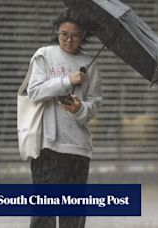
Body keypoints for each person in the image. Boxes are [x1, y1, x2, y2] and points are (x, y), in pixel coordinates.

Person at [26, 9, 102, 228]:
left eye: (75, 35)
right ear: (57, 32)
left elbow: (95, 104)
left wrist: (80, 108)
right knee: (44, 211)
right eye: (64, 34)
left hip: (78, 147)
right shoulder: (44, 55)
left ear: (84, 35)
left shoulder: (90, 64)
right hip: (48, 146)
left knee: (73, 214)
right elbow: (34, 91)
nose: (69, 40)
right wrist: (67, 80)